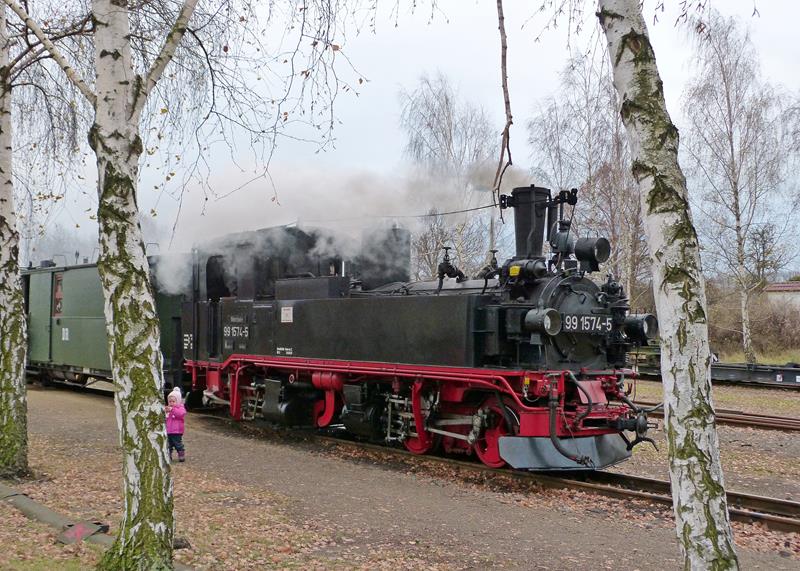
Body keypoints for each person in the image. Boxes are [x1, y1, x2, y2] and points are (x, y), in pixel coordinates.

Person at [165, 387, 187, 462]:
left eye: (173, 401)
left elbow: (180, 414)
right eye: (170, 401)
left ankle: (181, 453)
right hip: (168, 431)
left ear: (178, 401)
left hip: (177, 431)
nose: (171, 403)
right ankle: (169, 455)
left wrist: (172, 410)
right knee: (168, 445)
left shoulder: (180, 408)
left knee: (178, 444)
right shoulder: (168, 409)